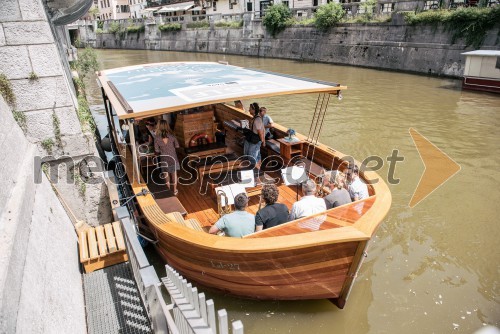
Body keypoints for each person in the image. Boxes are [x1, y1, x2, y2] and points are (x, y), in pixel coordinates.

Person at [154, 120, 180, 195]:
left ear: (159, 127)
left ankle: (168, 190)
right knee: (174, 174)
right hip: (173, 157)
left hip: (164, 159)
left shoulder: (157, 138)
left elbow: (157, 150)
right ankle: (175, 190)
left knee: (166, 175)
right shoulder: (172, 136)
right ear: (167, 126)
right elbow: (177, 146)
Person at [243, 102, 265, 173]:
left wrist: (262, 141)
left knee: (252, 157)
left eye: (250, 109)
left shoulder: (257, 119)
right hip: (255, 140)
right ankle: (259, 171)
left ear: (254, 110)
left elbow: (260, 131)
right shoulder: (255, 118)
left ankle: (256, 172)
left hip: (256, 140)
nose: (249, 110)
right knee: (257, 155)